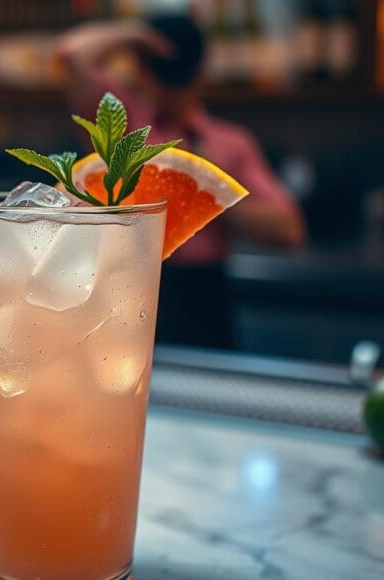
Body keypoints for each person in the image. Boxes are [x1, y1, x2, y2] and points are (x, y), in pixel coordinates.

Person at [58, 15, 306, 348]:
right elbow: (73, 53)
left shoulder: (229, 143)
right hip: (125, 287)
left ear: (200, 77)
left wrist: (215, 186)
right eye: (159, 75)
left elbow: (289, 230)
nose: (168, 91)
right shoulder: (121, 126)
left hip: (201, 296)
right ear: (143, 73)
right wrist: (135, 36)